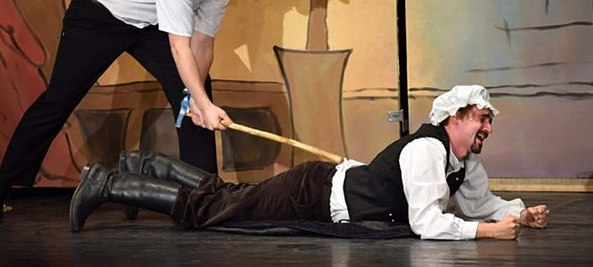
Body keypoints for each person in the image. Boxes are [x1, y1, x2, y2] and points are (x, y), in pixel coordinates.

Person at [0, 0, 272, 220]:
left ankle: (204, 199)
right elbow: (179, 46)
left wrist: (197, 101)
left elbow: (203, 45)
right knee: (58, 99)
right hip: (98, 13)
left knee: (195, 90)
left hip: (145, 24)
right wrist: (203, 103)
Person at [69, 85, 550, 240]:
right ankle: (107, 182)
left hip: (322, 188)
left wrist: (517, 213)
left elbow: (481, 204)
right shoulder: (427, 150)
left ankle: (144, 164)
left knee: (227, 196)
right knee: (211, 211)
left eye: (490, 121)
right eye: (483, 119)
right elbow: (427, 223)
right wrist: (486, 233)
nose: (488, 128)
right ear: (456, 118)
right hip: (312, 194)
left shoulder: (463, 164)